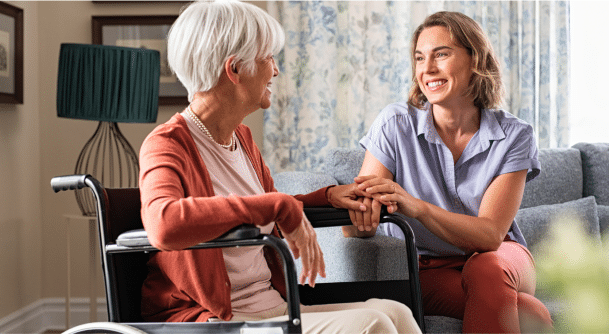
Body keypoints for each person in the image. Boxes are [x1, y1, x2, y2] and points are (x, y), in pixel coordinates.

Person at [138, 1, 422, 333]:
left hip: (270, 307)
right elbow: (163, 224)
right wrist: (277, 203)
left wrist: (328, 196)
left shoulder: (241, 139)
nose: (276, 70)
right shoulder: (168, 144)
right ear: (234, 69)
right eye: (268, 58)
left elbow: (266, 209)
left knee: (394, 311)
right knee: (371, 323)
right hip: (213, 318)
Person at [345, 11, 554, 333]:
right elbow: (357, 223)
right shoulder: (395, 124)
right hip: (427, 266)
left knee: (487, 267)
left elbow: (489, 236)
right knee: (530, 312)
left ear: (476, 60)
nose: (427, 69)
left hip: (501, 257)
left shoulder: (515, 135)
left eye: (441, 54)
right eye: (419, 58)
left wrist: (419, 207)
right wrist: (361, 217)